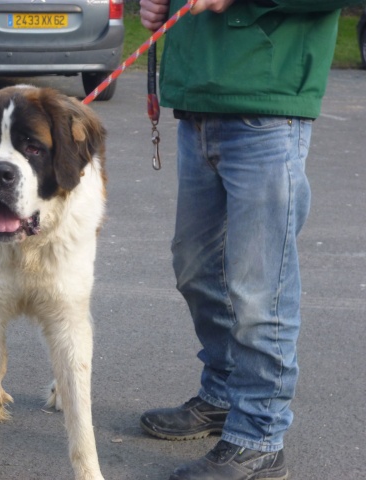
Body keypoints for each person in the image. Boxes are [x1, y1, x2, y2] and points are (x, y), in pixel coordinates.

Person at [137, 0, 362, 479]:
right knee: (196, 269)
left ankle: (260, 437)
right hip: (199, 105)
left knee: (259, 289)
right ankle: (223, 393)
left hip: (268, 108)